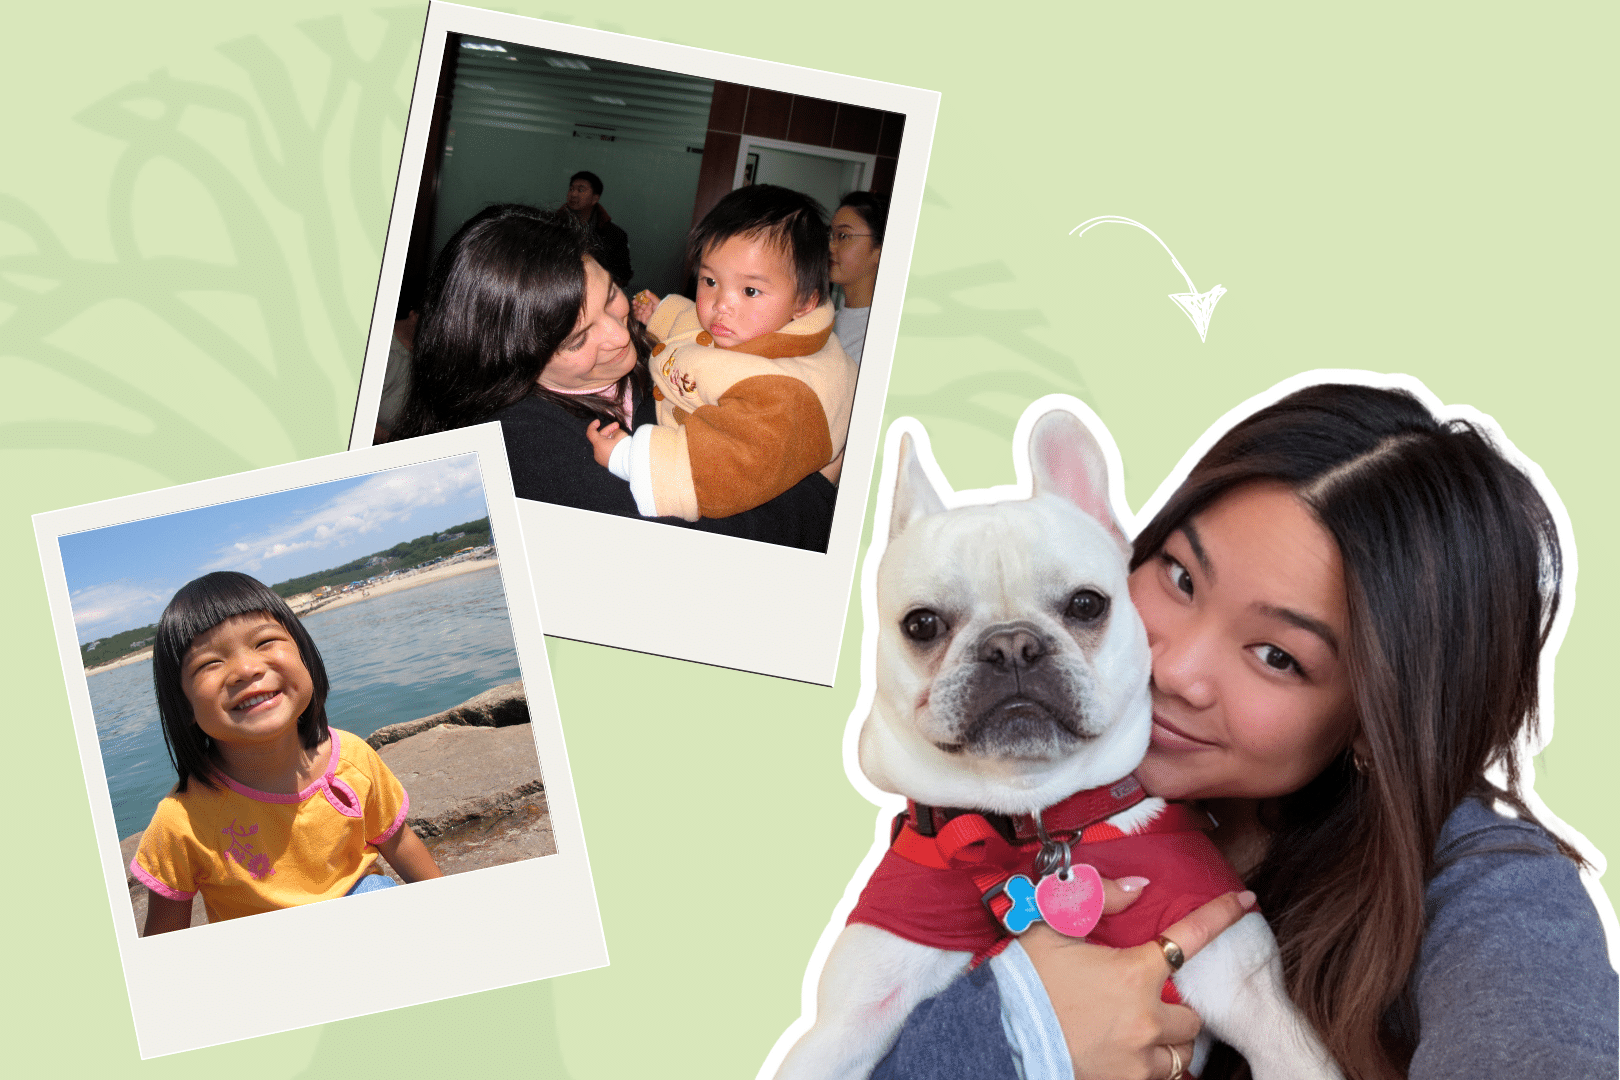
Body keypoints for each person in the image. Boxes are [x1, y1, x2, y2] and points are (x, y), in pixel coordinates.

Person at [873, 382, 1617, 1079]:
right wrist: (1017, 1036)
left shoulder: (1489, 895)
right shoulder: (987, 809)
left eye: (1277, 657)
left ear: (1376, 720)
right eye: (1181, 577)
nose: (1178, 670)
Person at [392, 204, 837, 551]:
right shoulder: (519, 443)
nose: (618, 334)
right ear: (512, 361)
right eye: (576, 339)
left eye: (610, 296)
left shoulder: (667, 345)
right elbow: (693, 547)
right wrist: (823, 485)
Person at [130, 572, 443, 933]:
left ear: (304, 655)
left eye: (264, 642)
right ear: (182, 705)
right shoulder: (181, 822)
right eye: (209, 663)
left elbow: (399, 843)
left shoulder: (352, 758)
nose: (246, 670)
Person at [588, 184, 857, 523]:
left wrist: (627, 458)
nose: (721, 305)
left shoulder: (785, 394)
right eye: (710, 281)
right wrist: (662, 314)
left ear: (805, 302)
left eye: (750, 290)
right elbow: (700, 329)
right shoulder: (757, 326)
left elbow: (731, 464)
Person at [827, 190, 888, 365]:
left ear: (880, 250)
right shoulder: (828, 320)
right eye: (831, 235)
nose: (831, 246)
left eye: (843, 236)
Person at [564, 170, 633, 287]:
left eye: (581, 190)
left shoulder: (614, 235)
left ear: (595, 199)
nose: (573, 194)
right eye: (571, 189)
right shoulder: (553, 225)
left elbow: (623, 276)